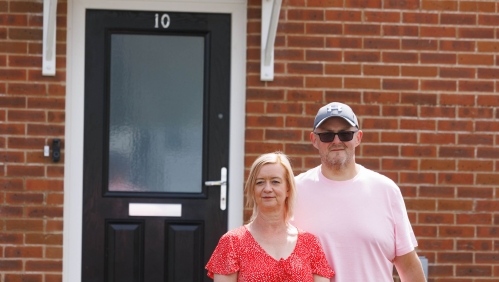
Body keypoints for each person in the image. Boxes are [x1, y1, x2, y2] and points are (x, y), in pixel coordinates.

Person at [292, 102, 426, 282]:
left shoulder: (386, 190)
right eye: (327, 135)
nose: (336, 141)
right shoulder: (293, 190)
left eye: (345, 133)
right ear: (314, 140)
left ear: (358, 137)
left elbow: (408, 267)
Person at [206, 152, 335, 281]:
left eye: (275, 181)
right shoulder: (232, 242)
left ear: (288, 189)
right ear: (252, 189)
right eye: (260, 182)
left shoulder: (310, 243)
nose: (267, 189)